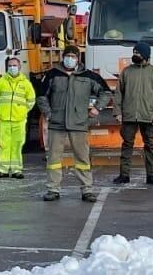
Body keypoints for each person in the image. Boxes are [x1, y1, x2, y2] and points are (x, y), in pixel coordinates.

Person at [37, 46, 112, 202]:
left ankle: (87, 190)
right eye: (67, 56)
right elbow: (41, 96)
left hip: (79, 123)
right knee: (53, 159)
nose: (70, 59)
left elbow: (106, 92)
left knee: (83, 158)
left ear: (78, 58)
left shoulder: (89, 76)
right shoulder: (52, 75)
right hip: (56, 124)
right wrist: (49, 113)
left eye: (73, 56)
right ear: (63, 57)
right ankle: (53, 189)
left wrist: (97, 108)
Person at [113, 41, 153, 186]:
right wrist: (117, 112)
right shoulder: (126, 72)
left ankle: (151, 176)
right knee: (127, 145)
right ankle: (124, 175)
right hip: (129, 115)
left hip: (148, 116)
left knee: (150, 145)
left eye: (137, 53)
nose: (134, 55)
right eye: (134, 52)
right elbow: (118, 94)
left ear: (145, 55)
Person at [0, 54, 36, 178]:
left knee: (17, 144)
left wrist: (23, 111)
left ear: (20, 67)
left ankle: (16, 170)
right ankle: (2, 169)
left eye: (14, 65)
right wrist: (1, 110)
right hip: (4, 119)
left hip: (19, 120)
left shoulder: (26, 84)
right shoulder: (0, 83)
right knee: (3, 144)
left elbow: (31, 101)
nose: (12, 67)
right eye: (10, 66)